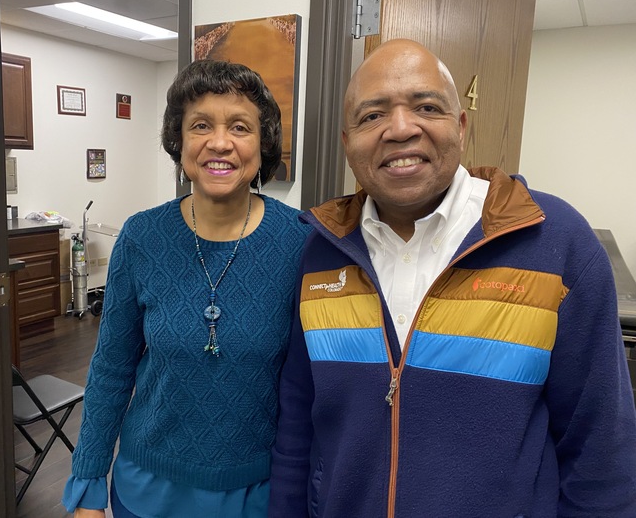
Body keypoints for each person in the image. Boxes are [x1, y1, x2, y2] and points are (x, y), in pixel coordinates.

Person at [268, 38, 636, 517]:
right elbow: (298, 423)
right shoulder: (322, 252)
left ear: (461, 126)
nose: (400, 129)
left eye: (426, 106)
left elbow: (601, 449)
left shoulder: (557, 243)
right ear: (347, 142)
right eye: (372, 115)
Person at [62, 59, 311, 517]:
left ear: (264, 144)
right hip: (147, 488)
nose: (220, 142)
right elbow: (111, 370)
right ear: (179, 142)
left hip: (255, 493)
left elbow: (309, 386)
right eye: (201, 125)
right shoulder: (142, 237)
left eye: (240, 126)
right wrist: (89, 483)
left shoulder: (299, 241)